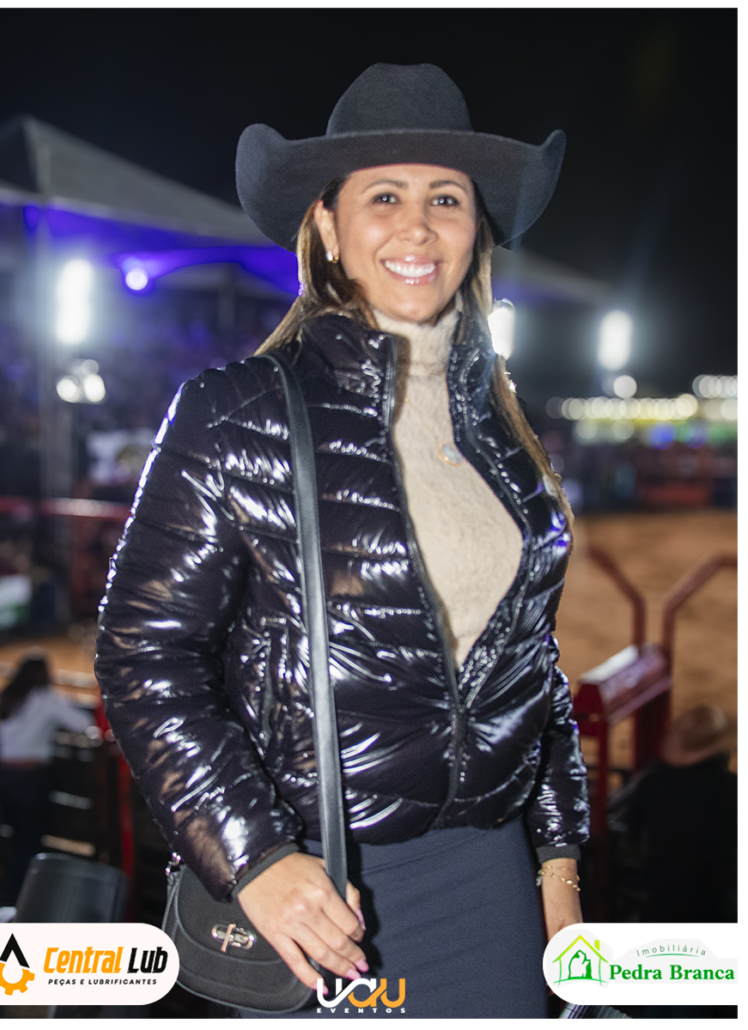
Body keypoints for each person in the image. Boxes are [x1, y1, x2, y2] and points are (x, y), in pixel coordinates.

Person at [96, 63, 589, 1018]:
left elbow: (534, 676)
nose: (418, 227)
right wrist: (254, 857)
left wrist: (558, 871)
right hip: (318, 890)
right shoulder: (237, 410)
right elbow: (143, 654)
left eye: (445, 198)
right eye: (384, 197)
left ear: (475, 228)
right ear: (326, 225)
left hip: (489, 879)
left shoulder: (502, 435)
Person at [0, 652, 94, 904]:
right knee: (28, 845)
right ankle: (24, 903)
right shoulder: (48, 699)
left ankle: (11, 899)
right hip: (30, 780)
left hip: (4, 778)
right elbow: (84, 723)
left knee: (15, 842)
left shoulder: (9, 697)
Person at [625, 704, 737, 924]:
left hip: (660, 901)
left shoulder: (652, 783)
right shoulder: (732, 790)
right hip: (718, 907)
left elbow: (632, 834)